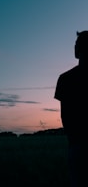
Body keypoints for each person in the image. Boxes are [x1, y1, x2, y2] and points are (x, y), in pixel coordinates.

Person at [54, 31, 88, 187]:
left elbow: (65, 116)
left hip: (78, 145)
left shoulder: (66, 78)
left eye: (76, 45)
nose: (74, 48)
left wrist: (75, 139)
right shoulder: (66, 78)